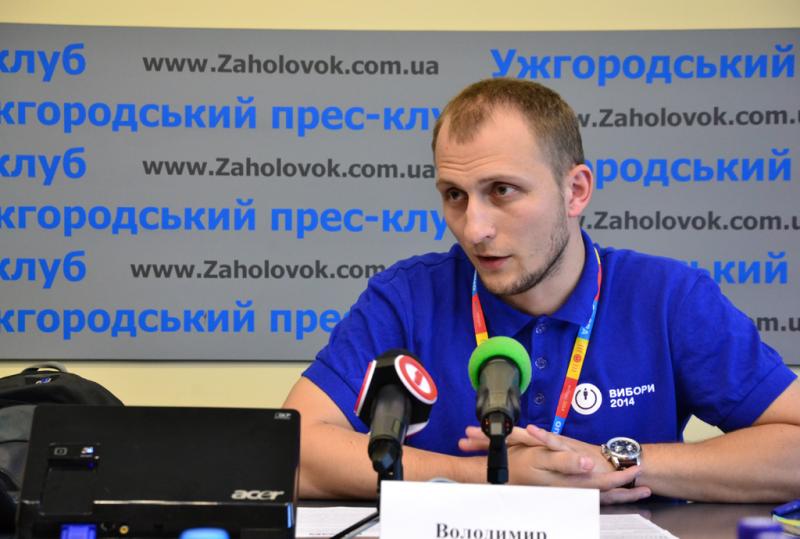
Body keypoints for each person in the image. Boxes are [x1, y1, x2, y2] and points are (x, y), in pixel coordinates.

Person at [283, 78, 800, 504]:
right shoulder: (407, 298)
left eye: (502, 191)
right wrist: (484, 478)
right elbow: (292, 450)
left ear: (575, 191)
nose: (474, 229)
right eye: (455, 195)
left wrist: (618, 461)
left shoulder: (668, 298)